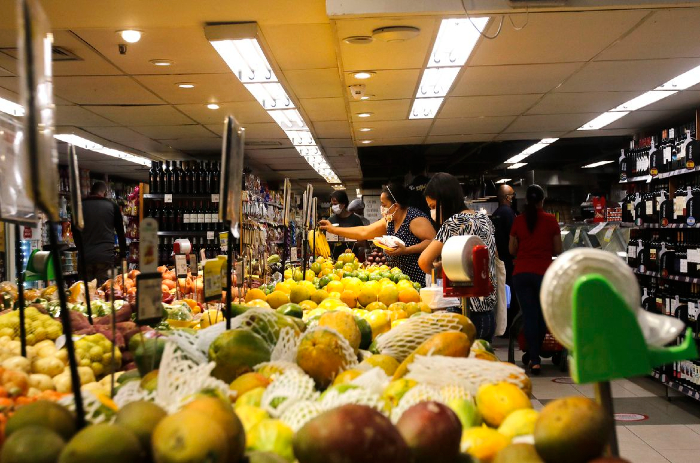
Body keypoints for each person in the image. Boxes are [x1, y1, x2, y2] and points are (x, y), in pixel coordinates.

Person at [418, 172, 498, 342]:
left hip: (464, 312)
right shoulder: (484, 219)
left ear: (444, 201)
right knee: (482, 360)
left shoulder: (453, 222)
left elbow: (424, 261)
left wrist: (440, 269)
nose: (432, 212)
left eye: (433, 206)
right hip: (488, 313)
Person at [319, 182, 435, 285]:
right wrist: (332, 229)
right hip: (397, 280)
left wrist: (406, 250)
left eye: (384, 205)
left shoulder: (414, 218)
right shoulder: (389, 220)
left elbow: (433, 241)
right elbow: (363, 231)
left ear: (396, 205)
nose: (382, 208)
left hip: (417, 280)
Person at [509, 184, 562, 375]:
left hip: (521, 274)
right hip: (543, 274)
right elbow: (558, 250)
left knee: (529, 315)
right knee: (541, 316)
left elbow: (511, 249)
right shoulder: (550, 221)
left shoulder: (518, 221)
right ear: (542, 201)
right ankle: (535, 356)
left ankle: (534, 358)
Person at [75, 181, 127, 284]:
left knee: (85, 290)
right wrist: (122, 255)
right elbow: (120, 233)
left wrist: (81, 249)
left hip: (85, 257)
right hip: (105, 257)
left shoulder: (79, 206)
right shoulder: (112, 206)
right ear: (105, 192)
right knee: (104, 290)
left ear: (91, 191)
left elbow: (75, 232)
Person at [491, 184, 518, 336]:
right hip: (509, 260)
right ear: (507, 197)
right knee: (511, 295)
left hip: (498, 259)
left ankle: (503, 326)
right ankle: (510, 328)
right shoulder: (509, 213)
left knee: (502, 294)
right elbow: (514, 237)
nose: (513, 198)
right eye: (512, 195)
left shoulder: (495, 213)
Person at [327, 190, 365, 259]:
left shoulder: (356, 220)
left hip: (352, 261)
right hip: (333, 260)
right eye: (332, 204)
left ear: (343, 204)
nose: (333, 207)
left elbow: (362, 242)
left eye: (335, 204)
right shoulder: (330, 221)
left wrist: (347, 240)